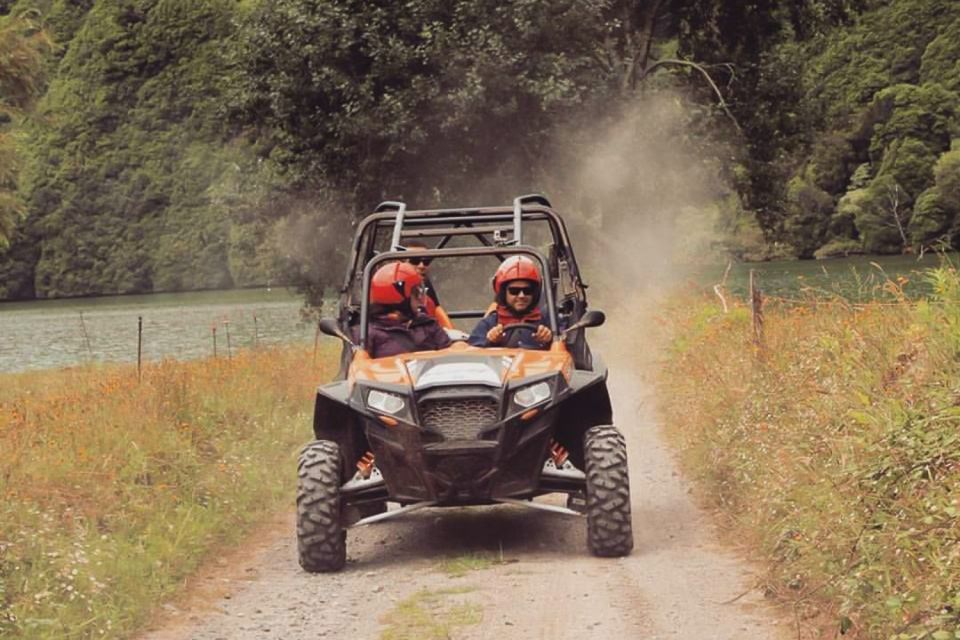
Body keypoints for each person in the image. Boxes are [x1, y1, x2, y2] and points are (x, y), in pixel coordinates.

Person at [355, 262, 451, 358]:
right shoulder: (367, 333)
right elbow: (360, 366)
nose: (419, 299)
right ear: (401, 299)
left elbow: (448, 350)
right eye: (416, 294)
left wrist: (459, 345)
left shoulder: (427, 323)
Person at [468, 256, 553, 349]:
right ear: (504, 293)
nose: (521, 296)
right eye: (514, 291)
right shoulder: (490, 322)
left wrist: (549, 340)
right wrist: (490, 341)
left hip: (538, 362)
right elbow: (472, 350)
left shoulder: (548, 319)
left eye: (527, 290)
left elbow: (564, 346)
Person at [403, 241, 453, 329]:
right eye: (415, 260)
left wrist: (451, 331)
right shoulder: (391, 286)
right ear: (400, 262)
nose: (422, 266)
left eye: (426, 261)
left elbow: (437, 309)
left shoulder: (424, 282)